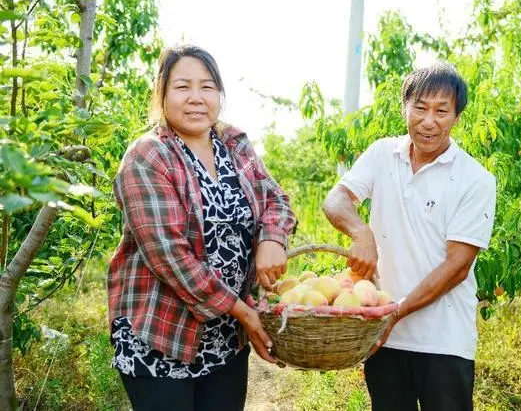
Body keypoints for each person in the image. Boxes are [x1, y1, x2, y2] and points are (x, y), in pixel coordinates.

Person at [108, 45, 296, 410]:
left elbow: (276, 200)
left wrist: (272, 239)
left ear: (219, 95)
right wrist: (244, 312)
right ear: (161, 94)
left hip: (225, 340)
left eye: (207, 87)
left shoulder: (234, 144)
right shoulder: (147, 156)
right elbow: (170, 258)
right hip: (161, 335)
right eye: (182, 87)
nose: (196, 98)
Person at [323, 62, 496, 411]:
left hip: (445, 342)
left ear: (456, 117)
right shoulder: (382, 154)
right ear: (404, 108)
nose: (428, 121)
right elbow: (335, 200)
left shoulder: (475, 179)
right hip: (384, 339)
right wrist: (361, 233)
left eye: (441, 111)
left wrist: (395, 313)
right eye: (419, 107)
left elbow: (458, 265)